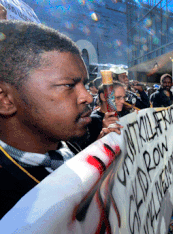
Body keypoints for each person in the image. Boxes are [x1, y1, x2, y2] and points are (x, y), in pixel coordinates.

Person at [0, 21, 121, 219]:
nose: (88, 98)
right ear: (5, 100)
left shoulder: (70, 145)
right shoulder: (9, 207)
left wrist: (100, 152)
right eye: (68, 85)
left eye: (84, 84)